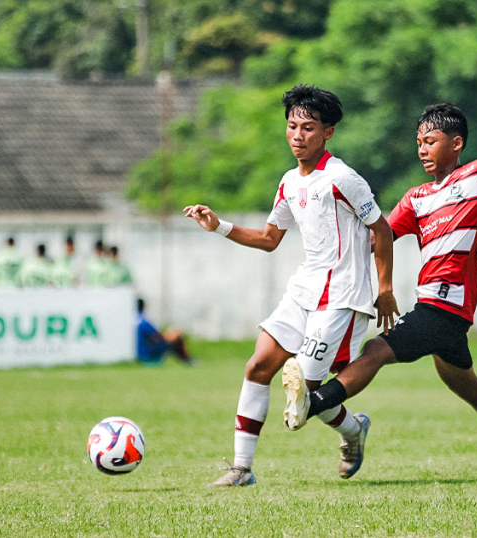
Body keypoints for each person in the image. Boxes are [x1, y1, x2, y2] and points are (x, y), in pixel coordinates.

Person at [283, 102, 477, 478]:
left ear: (456, 143)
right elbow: (377, 238)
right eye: (419, 142)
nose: (422, 150)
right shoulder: (416, 198)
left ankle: (312, 404)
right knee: (469, 387)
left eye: (431, 141)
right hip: (437, 307)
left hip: (447, 305)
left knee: (377, 350)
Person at [183, 84, 399, 487]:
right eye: (292, 126)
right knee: (259, 366)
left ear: (328, 132)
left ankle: (352, 430)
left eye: (308, 128)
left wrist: (384, 289)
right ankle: (241, 469)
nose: (298, 136)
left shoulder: (343, 178)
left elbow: (382, 232)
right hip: (304, 291)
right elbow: (269, 239)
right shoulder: (288, 182)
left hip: (342, 296)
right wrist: (219, 227)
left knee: (305, 397)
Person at [136, 298, 193, 365]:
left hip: (142, 351)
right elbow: (157, 336)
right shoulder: (143, 321)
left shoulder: (134, 319)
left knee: (175, 337)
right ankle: (188, 360)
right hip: (146, 353)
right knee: (178, 340)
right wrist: (171, 335)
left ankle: (187, 360)